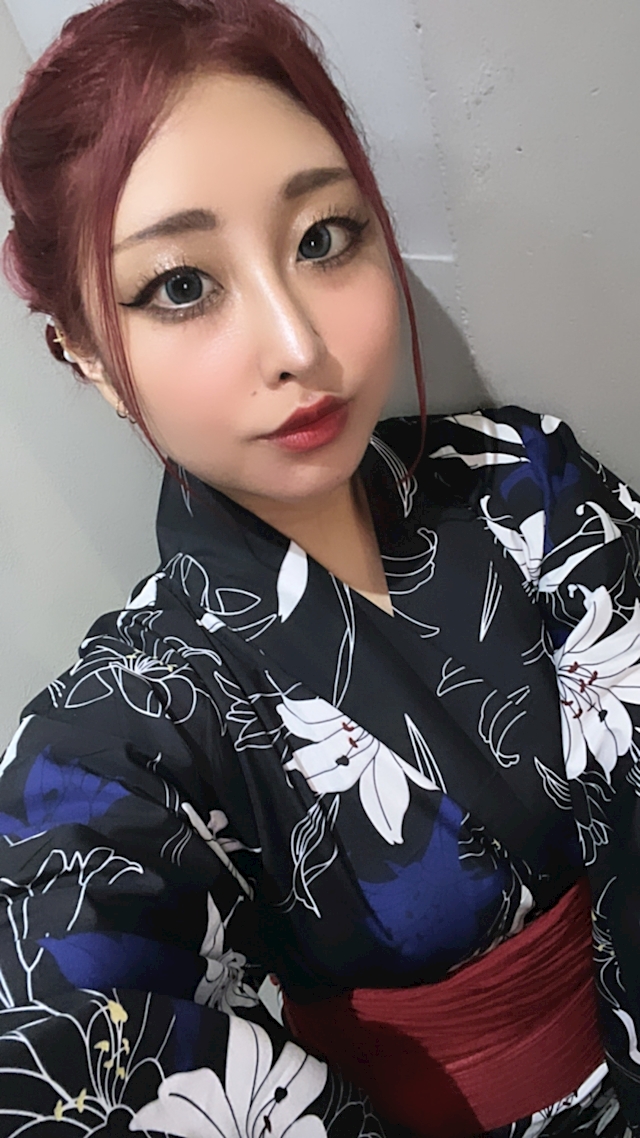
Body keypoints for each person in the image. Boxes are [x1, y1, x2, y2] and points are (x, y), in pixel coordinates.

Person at [1, 1, 640, 1135]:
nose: (300, 344)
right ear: (89, 352)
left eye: (322, 237)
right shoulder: (121, 738)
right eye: (182, 285)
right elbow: (58, 1022)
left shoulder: (525, 482)